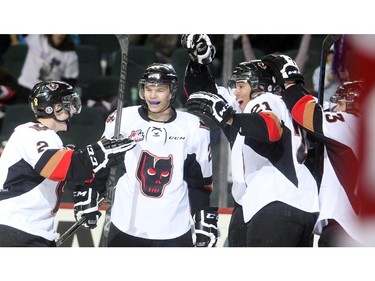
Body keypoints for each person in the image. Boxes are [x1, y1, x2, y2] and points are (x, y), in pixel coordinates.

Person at [183, 34, 319, 247]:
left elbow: (270, 128)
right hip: (284, 204)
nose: (235, 92)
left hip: (276, 202)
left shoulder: (265, 99)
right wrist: (198, 64)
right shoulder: (254, 106)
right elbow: (202, 94)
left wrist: (228, 117)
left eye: (241, 85)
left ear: (260, 86)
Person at [0, 81, 136, 247]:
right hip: (13, 228)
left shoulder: (54, 142)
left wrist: (87, 194)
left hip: (33, 231)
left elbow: (75, 168)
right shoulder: (30, 133)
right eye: (68, 104)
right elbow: (58, 167)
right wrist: (99, 152)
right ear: (53, 108)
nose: (73, 110)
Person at [95, 63, 217, 247]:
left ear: (171, 92)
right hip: (126, 224)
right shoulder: (123, 119)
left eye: (160, 90)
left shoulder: (193, 127)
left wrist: (203, 219)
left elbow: (199, 182)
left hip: (173, 227)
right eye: (148, 89)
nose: (152, 95)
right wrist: (91, 191)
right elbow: (101, 162)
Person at [274, 70, 364, 246]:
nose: (334, 108)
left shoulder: (351, 123)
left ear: (352, 104)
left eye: (338, 104)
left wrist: (291, 85)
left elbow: (307, 114)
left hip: (346, 228)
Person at [16, 34, 79, 104]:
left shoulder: (70, 54)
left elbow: (70, 81)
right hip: (25, 87)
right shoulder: (37, 38)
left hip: (48, 95)